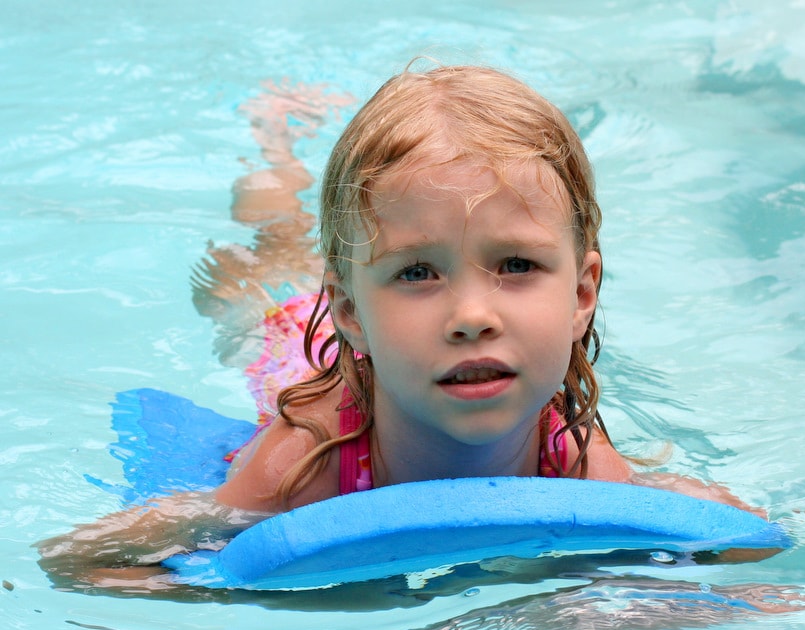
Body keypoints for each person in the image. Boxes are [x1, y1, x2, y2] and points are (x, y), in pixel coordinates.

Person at [37, 65, 755, 592]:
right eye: (417, 273)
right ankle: (274, 144)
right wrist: (227, 594)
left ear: (582, 293)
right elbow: (77, 561)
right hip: (291, 350)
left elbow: (738, 545)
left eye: (515, 264)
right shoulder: (305, 459)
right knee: (261, 262)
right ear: (351, 311)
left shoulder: (571, 452)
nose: (473, 316)